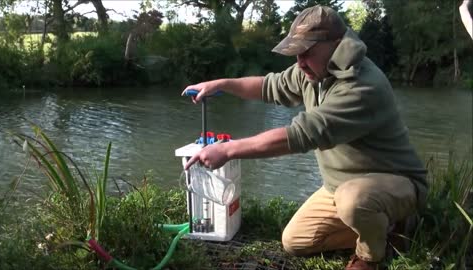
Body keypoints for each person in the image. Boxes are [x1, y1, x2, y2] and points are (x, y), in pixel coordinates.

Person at [182, 5, 428, 270]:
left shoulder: (362, 87)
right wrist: (222, 84)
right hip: (338, 187)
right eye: (296, 52)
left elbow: (301, 135)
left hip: (393, 183)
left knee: (354, 201)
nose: (299, 62)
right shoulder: (313, 70)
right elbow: (269, 86)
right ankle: (386, 228)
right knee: (295, 242)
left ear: (337, 44)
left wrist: (229, 150)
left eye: (307, 51)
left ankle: (371, 254)